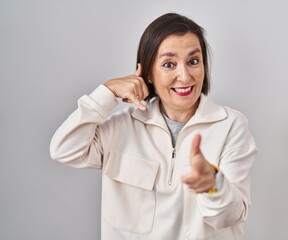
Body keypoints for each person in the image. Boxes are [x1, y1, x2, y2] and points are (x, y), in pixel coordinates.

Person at [50, 12, 257, 240]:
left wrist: (213, 183)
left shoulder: (230, 126)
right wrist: (107, 91)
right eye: (169, 64)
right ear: (148, 72)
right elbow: (64, 150)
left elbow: (229, 216)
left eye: (193, 61)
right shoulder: (122, 127)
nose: (184, 76)